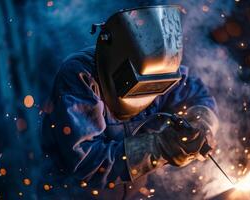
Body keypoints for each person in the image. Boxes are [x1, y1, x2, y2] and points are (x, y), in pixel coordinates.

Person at [40, 5, 218, 199]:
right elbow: (87, 164)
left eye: (160, 84)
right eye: (142, 83)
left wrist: (201, 125)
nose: (151, 92)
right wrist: (157, 147)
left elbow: (198, 97)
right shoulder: (79, 77)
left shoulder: (161, 69)